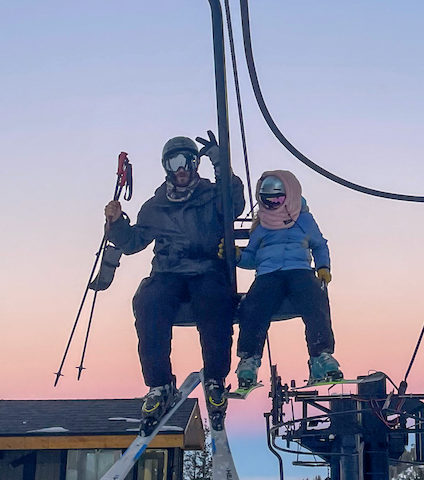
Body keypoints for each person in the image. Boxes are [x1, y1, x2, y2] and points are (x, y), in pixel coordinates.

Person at [104, 133, 245, 432]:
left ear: (196, 164)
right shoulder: (156, 206)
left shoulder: (212, 195)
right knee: (148, 302)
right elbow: (132, 242)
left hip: (207, 267)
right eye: (175, 162)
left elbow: (234, 204)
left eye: (188, 161)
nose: (182, 168)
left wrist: (221, 162)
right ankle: (159, 384)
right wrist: (116, 225)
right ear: (166, 166)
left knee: (214, 304)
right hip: (168, 271)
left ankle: (215, 378)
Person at [230, 170, 341, 388]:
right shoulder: (262, 225)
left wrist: (323, 267)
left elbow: (319, 244)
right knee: (253, 305)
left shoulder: (304, 220)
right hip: (269, 274)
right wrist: (238, 257)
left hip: (299, 269)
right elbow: (252, 257)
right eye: (267, 200)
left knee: (314, 300)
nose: (273, 204)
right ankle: (249, 358)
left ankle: (320, 355)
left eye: (278, 199)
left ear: (289, 196)